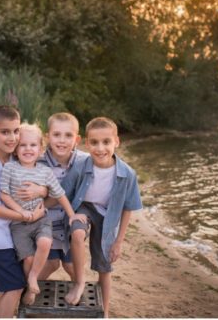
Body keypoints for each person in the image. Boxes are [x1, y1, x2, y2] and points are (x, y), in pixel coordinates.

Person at [62, 117, 143, 317]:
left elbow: (127, 208)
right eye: (94, 142)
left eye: (106, 142)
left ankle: (104, 312)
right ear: (86, 143)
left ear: (116, 141)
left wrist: (119, 241)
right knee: (78, 234)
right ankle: (80, 282)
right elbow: (63, 192)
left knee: (104, 267)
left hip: (108, 218)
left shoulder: (127, 174)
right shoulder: (80, 166)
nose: (100, 148)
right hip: (84, 208)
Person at [0, 105, 45, 318]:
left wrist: (40, 190)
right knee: (14, 287)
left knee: (15, 284)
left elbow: (42, 166)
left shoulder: (14, 157)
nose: (12, 138)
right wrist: (28, 215)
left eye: (15, 131)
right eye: (5, 132)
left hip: (14, 234)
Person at [0, 123, 82, 305]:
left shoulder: (45, 171)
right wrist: (19, 211)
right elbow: (3, 194)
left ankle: (33, 278)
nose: (28, 149)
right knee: (28, 258)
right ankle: (31, 286)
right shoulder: (10, 169)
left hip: (41, 220)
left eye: (33, 145)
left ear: (41, 149)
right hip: (19, 223)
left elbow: (59, 194)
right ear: (15, 150)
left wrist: (72, 214)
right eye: (23, 145)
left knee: (45, 242)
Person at [36, 112, 90, 281]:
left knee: (70, 265)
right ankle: (29, 288)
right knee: (51, 263)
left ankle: (79, 291)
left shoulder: (84, 161)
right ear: (47, 137)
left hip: (69, 223)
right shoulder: (38, 162)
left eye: (68, 135)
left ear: (77, 139)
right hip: (48, 224)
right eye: (56, 134)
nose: (62, 140)